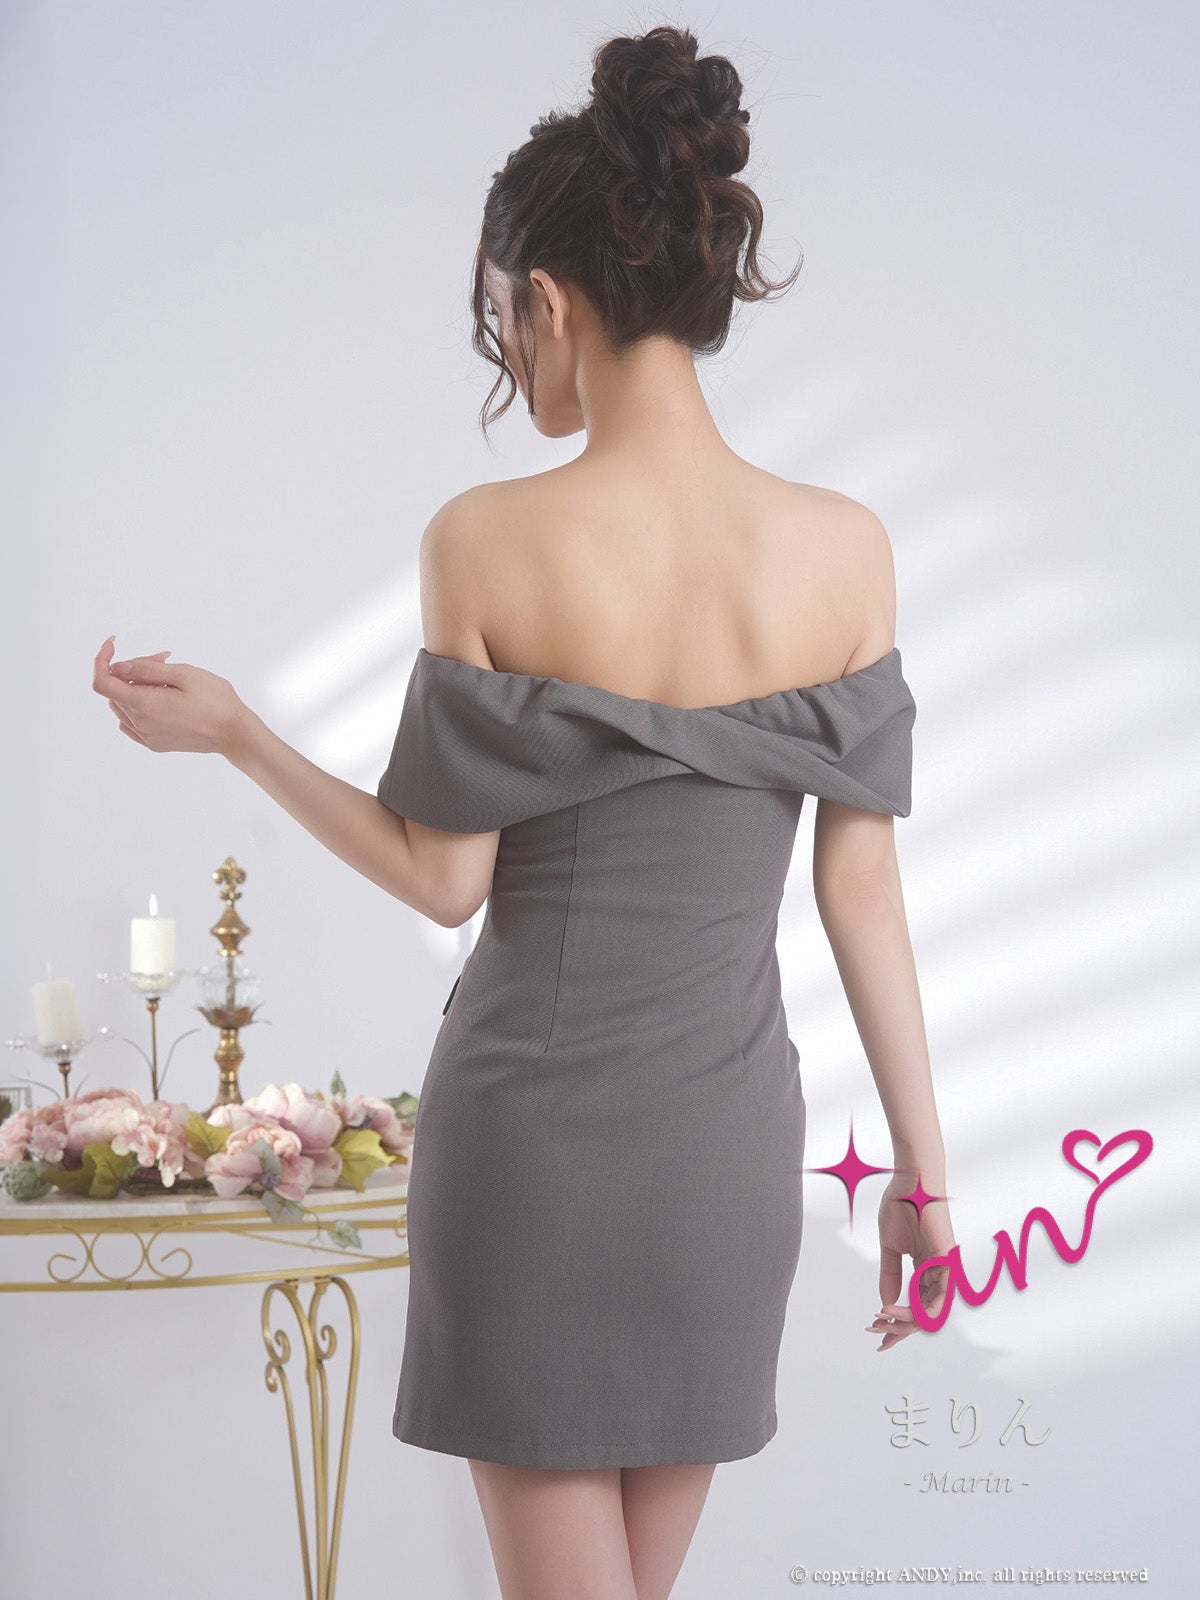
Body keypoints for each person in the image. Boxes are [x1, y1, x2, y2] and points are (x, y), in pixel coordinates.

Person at [92, 24, 955, 1600]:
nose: (508, 361)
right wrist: (923, 1174)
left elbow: (443, 881)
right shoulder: (847, 550)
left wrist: (241, 738)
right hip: (721, 1165)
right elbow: (864, 899)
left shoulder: (485, 540)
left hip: (532, 1162)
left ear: (548, 300)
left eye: (503, 321)